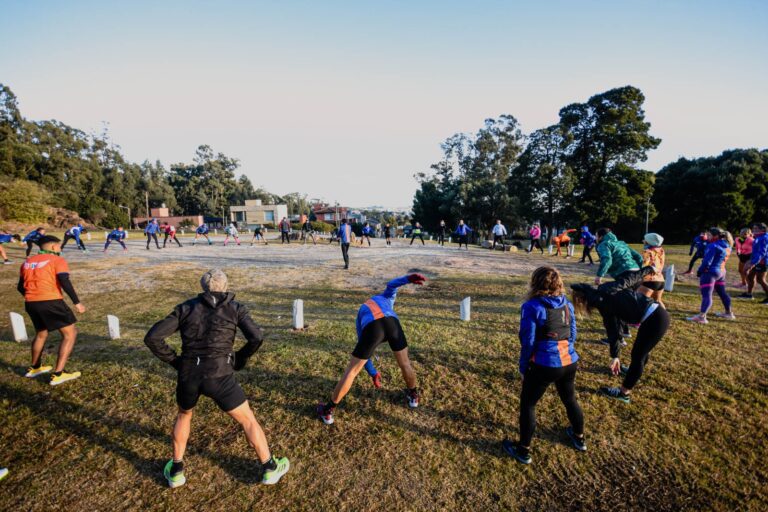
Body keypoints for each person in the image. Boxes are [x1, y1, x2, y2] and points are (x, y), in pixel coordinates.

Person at [144, 269, 289, 486]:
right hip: (220, 375)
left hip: (190, 376)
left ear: (203, 287)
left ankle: (176, 470)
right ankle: (269, 467)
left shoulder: (186, 308)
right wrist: (239, 359)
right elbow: (256, 337)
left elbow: (153, 337)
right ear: (226, 286)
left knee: (184, 415)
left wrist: (178, 362)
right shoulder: (235, 308)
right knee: (248, 420)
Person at [317, 273, 426, 425]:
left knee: (352, 371)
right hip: (392, 324)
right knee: (405, 364)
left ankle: (328, 411)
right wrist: (408, 278)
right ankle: (413, 396)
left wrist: (373, 373)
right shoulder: (388, 298)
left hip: (372, 328)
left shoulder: (363, 309)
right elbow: (392, 284)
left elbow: (365, 354)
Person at [502, 267, 585, 465]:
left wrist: (523, 367)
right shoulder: (567, 304)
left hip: (544, 365)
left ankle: (523, 450)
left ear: (535, 283)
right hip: (569, 361)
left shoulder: (532, 306)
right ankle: (579, 437)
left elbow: (527, 341)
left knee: (528, 404)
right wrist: (566, 350)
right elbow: (572, 333)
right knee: (570, 399)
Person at [571, 267, 669, 404]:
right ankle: (632, 373)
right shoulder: (604, 295)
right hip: (652, 317)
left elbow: (628, 280)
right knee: (640, 353)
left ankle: (624, 393)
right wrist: (615, 356)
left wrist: (647, 269)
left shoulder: (604, 297)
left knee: (638, 356)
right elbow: (614, 330)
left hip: (656, 318)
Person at [18, 235, 86, 386]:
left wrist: (34, 297)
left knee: (41, 333)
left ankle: (35, 368)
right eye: (60, 246)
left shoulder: (27, 262)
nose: (60, 249)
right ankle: (58, 374)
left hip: (31, 303)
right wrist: (77, 302)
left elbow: (20, 286)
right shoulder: (57, 260)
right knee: (70, 334)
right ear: (54, 247)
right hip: (51, 302)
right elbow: (64, 280)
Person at [594, 228, 644, 343]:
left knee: (618, 305)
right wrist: (638, 271)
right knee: (625, 303)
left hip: (625, 276)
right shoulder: (621, 243)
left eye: (596, 236)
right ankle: (625, 331)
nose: (595, 238)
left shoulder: (603, 244)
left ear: (601, 237)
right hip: (637, 275)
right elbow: (639, 257)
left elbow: (607, 259)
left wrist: (599, 275)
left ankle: (618, 338)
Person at [687, 228, 735, 323]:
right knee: (722, 293)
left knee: (707, 295)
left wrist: (700, 271)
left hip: (710, 273)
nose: (707, 237)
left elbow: (707, 262)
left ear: (716, 236)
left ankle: (701, 317)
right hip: (721, 272)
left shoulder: (713, 245)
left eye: (709, 235)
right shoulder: (728, 245)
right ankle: (729, 313)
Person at [739, 222, 768, 303]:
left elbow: (762, 252)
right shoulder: (758, 237)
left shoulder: (764, 238)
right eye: (753, 228)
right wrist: (751, 260)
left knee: (760, 280)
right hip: (756, 260)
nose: (753, 230)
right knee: (750, 277)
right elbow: (755, 251)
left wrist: (753, 263)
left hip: (762, 261)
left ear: (762, 229)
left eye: (756, 228)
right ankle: (749, 294)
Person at [637, 233, 666, 306]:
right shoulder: (661, 251)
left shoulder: (647, 252)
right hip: (660, 280)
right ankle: (665, 316)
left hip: (649, 280)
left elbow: (643, 266)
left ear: (649, 242)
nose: (643, 241)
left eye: (645, 240)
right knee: (658, 301)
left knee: (640, 302)